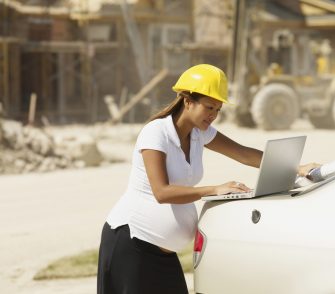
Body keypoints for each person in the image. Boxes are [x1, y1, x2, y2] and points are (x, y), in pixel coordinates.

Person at [97, 64, 319, 294]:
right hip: (131, 245)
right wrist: (213, 190)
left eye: (218, 110)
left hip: (162, 256)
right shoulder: (156, 133)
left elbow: (243, 154)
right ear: (187, 101)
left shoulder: (199, 133)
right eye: (209, 107)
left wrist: (297, 167)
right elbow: (162, 193)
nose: (213, 115)